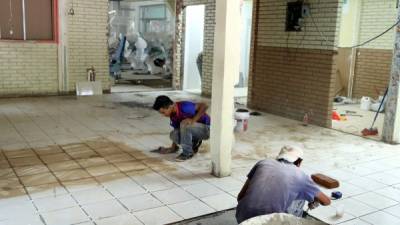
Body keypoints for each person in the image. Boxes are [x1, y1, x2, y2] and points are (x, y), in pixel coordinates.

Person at [235, 145, 331, 224]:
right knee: (300, 198)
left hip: (243, 218)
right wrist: (315, 200)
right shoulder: (301, 175)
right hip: (268, 222)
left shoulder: (263, 163)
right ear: (299, 161)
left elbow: (240, 197)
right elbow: (326, 201)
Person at [152, 95, 210, 161]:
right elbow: (176, 129)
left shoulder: (184, 107)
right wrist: (173, 148)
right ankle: (194, 143)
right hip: (195, 130)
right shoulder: (173, 115)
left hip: (207, 129)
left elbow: (205, 106)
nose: (163, 115)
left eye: (163, 112)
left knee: (184, 124)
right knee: (174, 135)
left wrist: (193, 120)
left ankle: (187, 153)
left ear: (170, 106)